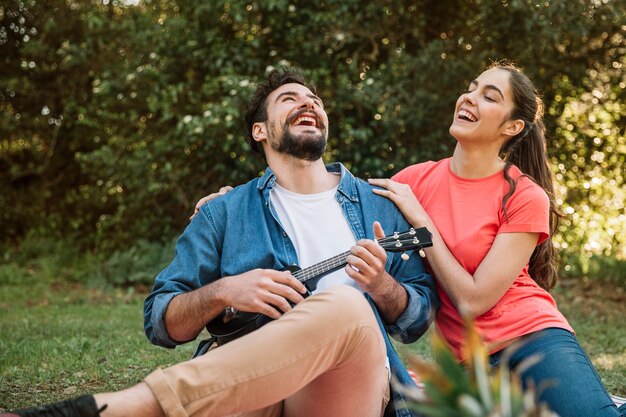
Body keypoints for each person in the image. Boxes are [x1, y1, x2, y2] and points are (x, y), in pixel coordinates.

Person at [2, 69, 438, 417]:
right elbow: (161, 320)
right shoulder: (224, 212)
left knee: (346, 305)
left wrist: (382, 285)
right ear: (259, 132)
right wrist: (224, 292)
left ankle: (121, 409)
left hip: (339, 390)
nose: (308, 103)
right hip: (248, 383)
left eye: (315, 101)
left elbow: (416, 320)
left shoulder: (378, 206)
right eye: (289, 99)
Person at [367, 61, 626, 417]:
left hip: (532, 339)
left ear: (513, 126)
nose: (469, 98)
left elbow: (473, 301)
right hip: (465, 363)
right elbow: (352, 217)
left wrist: (423, 223)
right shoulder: (415, 181)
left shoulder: (524, 195)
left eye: (489, 96)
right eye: (471, 88)